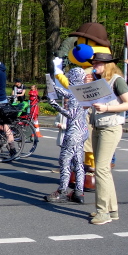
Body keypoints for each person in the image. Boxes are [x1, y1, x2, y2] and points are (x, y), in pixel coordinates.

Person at [86, 53, 128, 225]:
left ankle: (103, 212)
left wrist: (106, 108)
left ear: (107, 64)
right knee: (104, 169)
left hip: (110, 127)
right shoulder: (100, 82)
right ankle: (112, 210)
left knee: (100, 169)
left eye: (97, 63)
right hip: (98, 126)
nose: (94, 66)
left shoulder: (117, 81)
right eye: (93, 63)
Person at [44, 67, 88, 204]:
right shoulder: (82, 92)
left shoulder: (75, 96)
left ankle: (62, 191)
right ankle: (79, 192)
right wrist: (52, 85)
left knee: (65, 161)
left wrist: (55, 105)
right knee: (78, 162)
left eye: (70, 77)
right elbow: (65, 93)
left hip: (73, 132)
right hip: (82, 132)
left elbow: (71, 114)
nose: (68, 79)